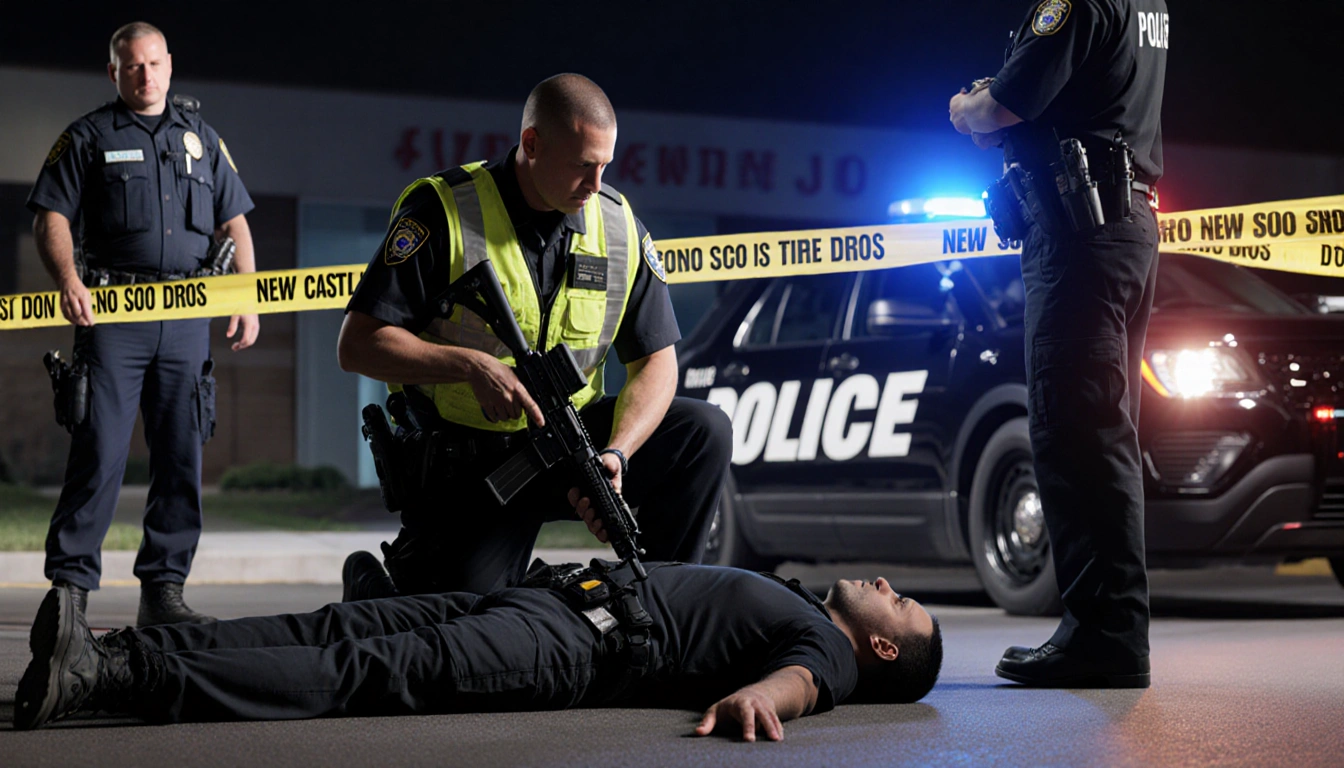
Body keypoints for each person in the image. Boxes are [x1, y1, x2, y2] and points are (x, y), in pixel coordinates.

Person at [337, 73, 731, 598]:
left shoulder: (616, 228)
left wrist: (617, 454)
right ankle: (379, 590)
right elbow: (358, 343)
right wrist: (469, 366)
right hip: (471, 465)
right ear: (531, 144)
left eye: (605, 166)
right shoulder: (444, 211)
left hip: (572, 443)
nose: (595, 184)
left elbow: (658, 363)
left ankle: (665, 609)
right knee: (464, 628)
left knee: (702, 430)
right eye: (582, 166)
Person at [13, 545, 942, 734]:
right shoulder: (803, 606)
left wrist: (758, 703)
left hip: (570, 650)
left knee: (359, 670)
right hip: (544, 598)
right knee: (335, 623)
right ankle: (120, 652)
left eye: (899, 606)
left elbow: (800, 687)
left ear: (884, 651)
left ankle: (103, 689)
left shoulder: (828, 654)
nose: (886, 585)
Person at [949, 0, 1168, 687]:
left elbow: (999, 112)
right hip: (1117, 222)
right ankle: (1108, 633)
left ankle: (1103, 638)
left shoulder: (1073, 4)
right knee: (1101, 430)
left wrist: (965, 104)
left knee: (1076, 429)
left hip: (1079, 233)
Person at [26, 22, 259, 627]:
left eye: (155, 64)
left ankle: (164, 593)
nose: (146, 75)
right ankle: (70, 596)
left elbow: (235, 222)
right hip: (113, 320)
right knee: (99, 453)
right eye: (133, 66)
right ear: (114, 72)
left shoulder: (203, 139)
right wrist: (68, 282)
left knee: (182, 457)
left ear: (170, 66)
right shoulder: (88, 137)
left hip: (185, 320)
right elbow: (49, 214)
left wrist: (246, 297)